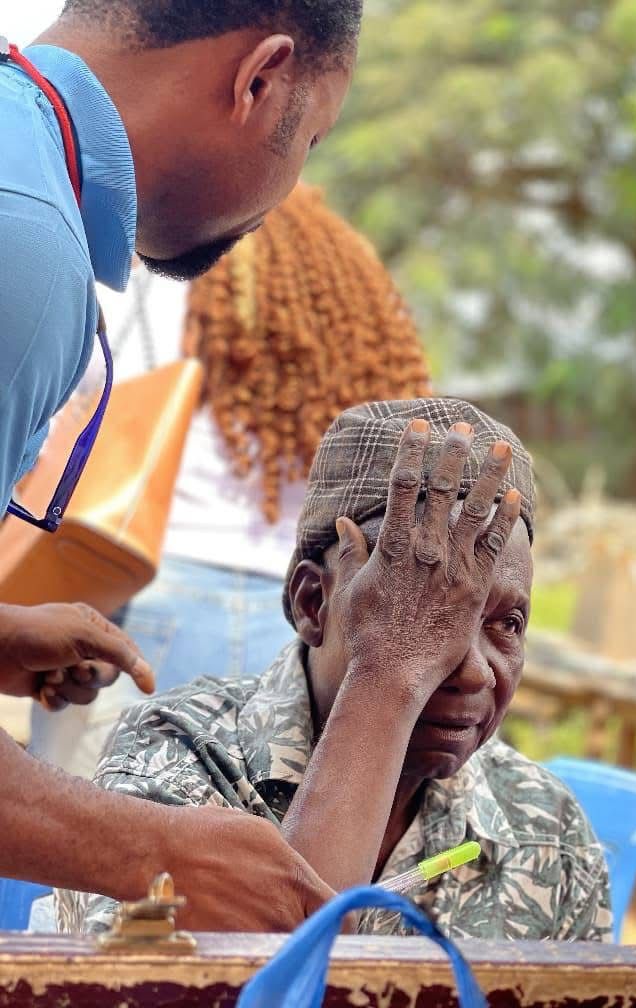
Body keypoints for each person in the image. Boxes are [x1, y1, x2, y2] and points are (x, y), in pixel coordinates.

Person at [1, 0, 362, 930]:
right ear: (260, 78)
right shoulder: (24, 243)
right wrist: (155, 849)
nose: (290, 187)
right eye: (310, 140)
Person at [58, 400, 613, 942]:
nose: (473, 672)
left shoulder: (547, 828)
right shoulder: (176, 758)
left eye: (507, 624)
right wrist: (389, 672)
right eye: (418, 612)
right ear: (312, 604)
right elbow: (223, 982)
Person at [30, 184, 431, 779]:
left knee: (96, 815)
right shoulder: (354, 314)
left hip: (149, 594)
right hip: (302, 615)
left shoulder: (162, 285)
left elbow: (61, 414)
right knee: (252, 828)